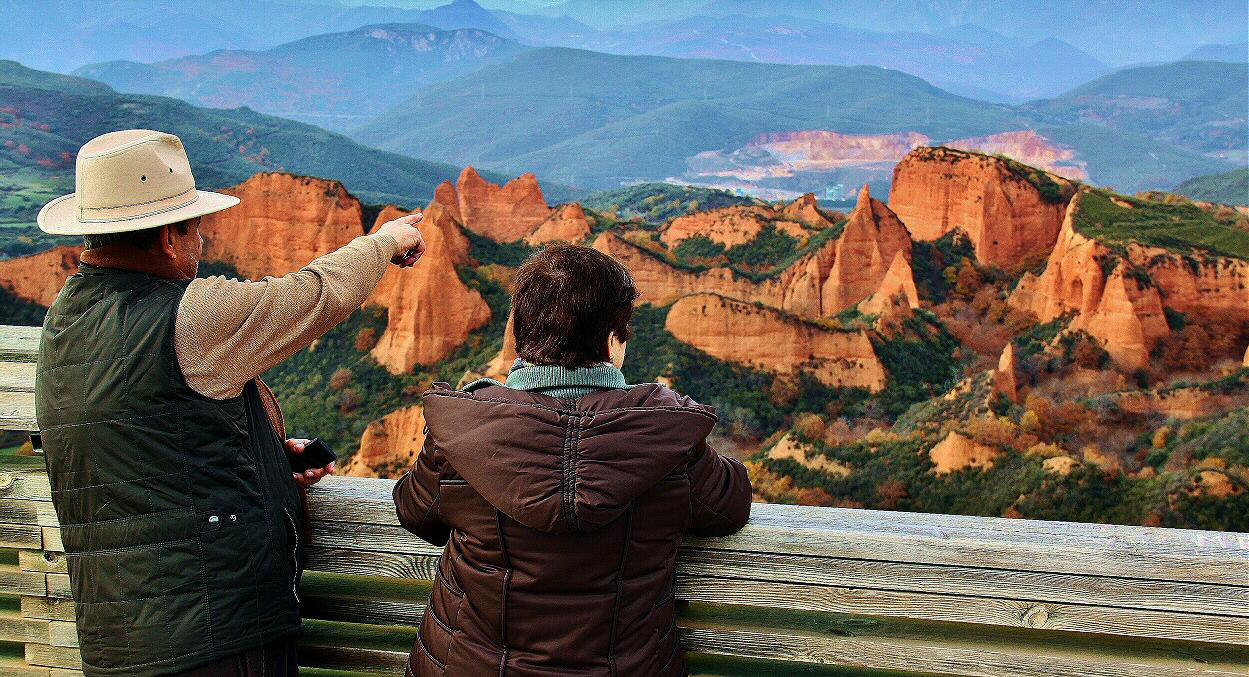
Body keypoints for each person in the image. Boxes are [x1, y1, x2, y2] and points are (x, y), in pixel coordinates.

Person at [33, 129, 427, 677]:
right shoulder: (189, 316)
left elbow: (136, 447)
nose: (203, 243)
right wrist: (382, 243)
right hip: (216, 634)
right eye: (196, 228)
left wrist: (262, 457)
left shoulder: (64, 323)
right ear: (170, 237)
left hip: (118, 641)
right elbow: (315, 296)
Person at [393, 243, 753, 677]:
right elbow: (730, 506)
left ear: (522, 335)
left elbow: (415, 511)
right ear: (611, 341)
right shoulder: (667, 437)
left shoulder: (462, 430)